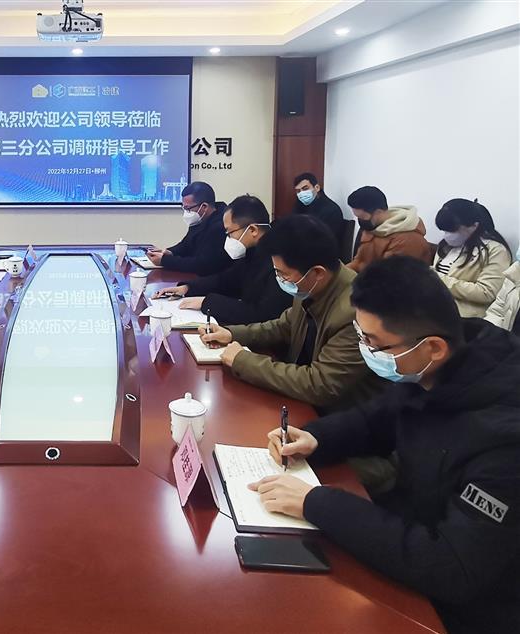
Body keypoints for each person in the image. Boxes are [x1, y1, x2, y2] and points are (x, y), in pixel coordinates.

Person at [248, 257, 520, 633]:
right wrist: (316, 437)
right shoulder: (437, 365)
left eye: (374, 343)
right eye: (361, 335)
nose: (366, 350)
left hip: (463, 605)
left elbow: (453, 567)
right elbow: (376, 419)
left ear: (433, 347)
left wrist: (317, 502)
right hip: (407, 536)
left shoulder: (505, 441)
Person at [199, 215, 384, 412]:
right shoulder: (311, 286)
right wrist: (232, 334)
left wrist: (243, 361)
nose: (279, 279)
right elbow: (284, 326)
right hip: (301, 400)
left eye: (283, 274)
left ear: (317, 273)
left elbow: (321, 384)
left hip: (339, 415)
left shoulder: (357, 312)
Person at [152, 194, 291, 325]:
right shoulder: (252, 251)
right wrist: (187, 288)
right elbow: (225, 280)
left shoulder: (278, 260)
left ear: (253, 230)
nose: (227, 239)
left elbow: (261, 314)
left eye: (229, 233)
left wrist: (207, 302)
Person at [433, 198, 511, 318]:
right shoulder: (445, 246)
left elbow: (487, 292)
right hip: (433, 310)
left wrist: (438, 279)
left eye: (452, 230)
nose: (447, 235)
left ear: (474, 225)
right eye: (444, 230)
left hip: (465, 318)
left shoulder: (495, 250)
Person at [145, 181, 230, 275]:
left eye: (188, 208)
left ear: (204, 207)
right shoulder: (200, 219)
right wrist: (169, 252)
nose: (186, 212)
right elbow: (186, 245)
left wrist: (165, 261)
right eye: (184, 208)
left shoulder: (220, 226)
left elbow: (202, 264)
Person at [346, 186, 432, 272]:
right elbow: (359, 262)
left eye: (362, 217)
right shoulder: (373, 227)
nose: (360, 220)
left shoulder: (408, 240)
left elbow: (388, 276)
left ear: (378, 212)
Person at [291, 172, 344, 239]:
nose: (302, 193)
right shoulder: (300, 204)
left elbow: (324, 239)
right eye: (298, 191)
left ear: (317, 188)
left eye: (305, 189)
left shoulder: (331, 210)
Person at [484, 245, 520, 334]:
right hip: (505, 339)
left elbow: (485, 291)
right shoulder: (515, 272)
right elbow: (497, 312)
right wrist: (488, 336)